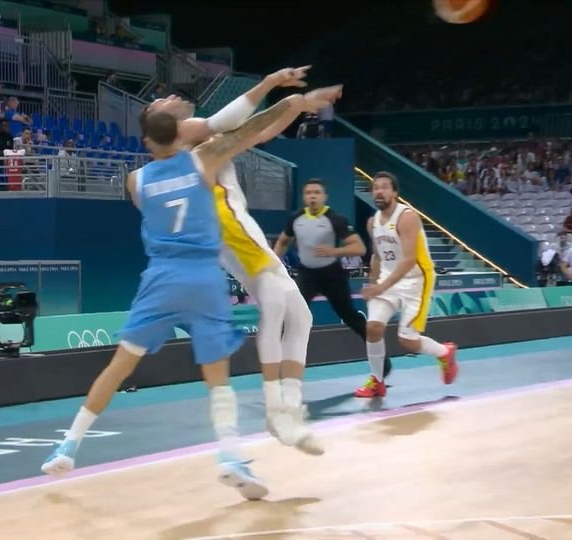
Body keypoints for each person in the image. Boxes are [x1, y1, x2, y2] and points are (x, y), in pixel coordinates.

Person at [41, 90, 334, 500]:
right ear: (179, 133)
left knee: (119, 367)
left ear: (147, 141)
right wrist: (288, 99)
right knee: (218, 381)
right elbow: (249, 128)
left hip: (161, 278)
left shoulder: (136, 180)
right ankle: (231, 456)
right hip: (203, 278)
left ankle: (68, 447)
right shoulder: (204, 160)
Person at [144, 67, 340, 455]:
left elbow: (254, 130)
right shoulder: (185, 143)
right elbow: (246, 128)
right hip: (226, 221)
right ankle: (276, 410)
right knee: (276, 303)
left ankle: (289, 406)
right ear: (161, 126)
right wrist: (292, 100)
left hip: (233, 221)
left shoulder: (196, 135)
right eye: (161, 101)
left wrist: (292, 103)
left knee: (301, 315)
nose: (171, 97)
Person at [273, 179, 393, 378]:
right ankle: (280, 364)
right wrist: (274, 266)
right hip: (307, 275)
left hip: (332, 275)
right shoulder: (295, 219)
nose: (313, 196)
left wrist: (334, 251)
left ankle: (382, 361)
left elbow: (360, 248)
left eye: (317, 193)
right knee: (292, 315)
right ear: (304, 197)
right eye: (309, 193)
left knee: (351, 317)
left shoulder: (335, 219)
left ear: (324, 197)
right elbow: (283, 242)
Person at [357, 172, 458, 397]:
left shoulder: (407, 217)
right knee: (373, 328)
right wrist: (373, 284)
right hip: (387, 281)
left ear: (394, 193)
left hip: (416, 280)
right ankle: (377, 381)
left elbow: (409, 259)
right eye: (375, 188)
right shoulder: (372, 222)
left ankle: (444, 352)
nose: (379, 191)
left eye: (384, 187)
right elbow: (377, 256)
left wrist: (381, 287)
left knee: (407, 341)